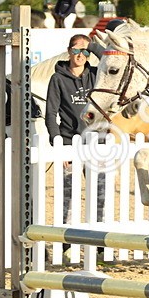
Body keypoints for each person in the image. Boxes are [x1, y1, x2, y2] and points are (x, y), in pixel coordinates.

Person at [44, 33, 106, 222]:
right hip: (70, 142)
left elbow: (111, 59)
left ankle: (99, 244)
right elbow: (51, 114)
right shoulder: (57, 79)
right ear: (69, 52)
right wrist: (59, 146)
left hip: (97, 142)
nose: (80, 55)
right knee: (68, 197)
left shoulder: (97, 75)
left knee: (99, 195)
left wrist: (93, 46)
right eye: (76, 50)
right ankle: (67, 245)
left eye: (84, 51)